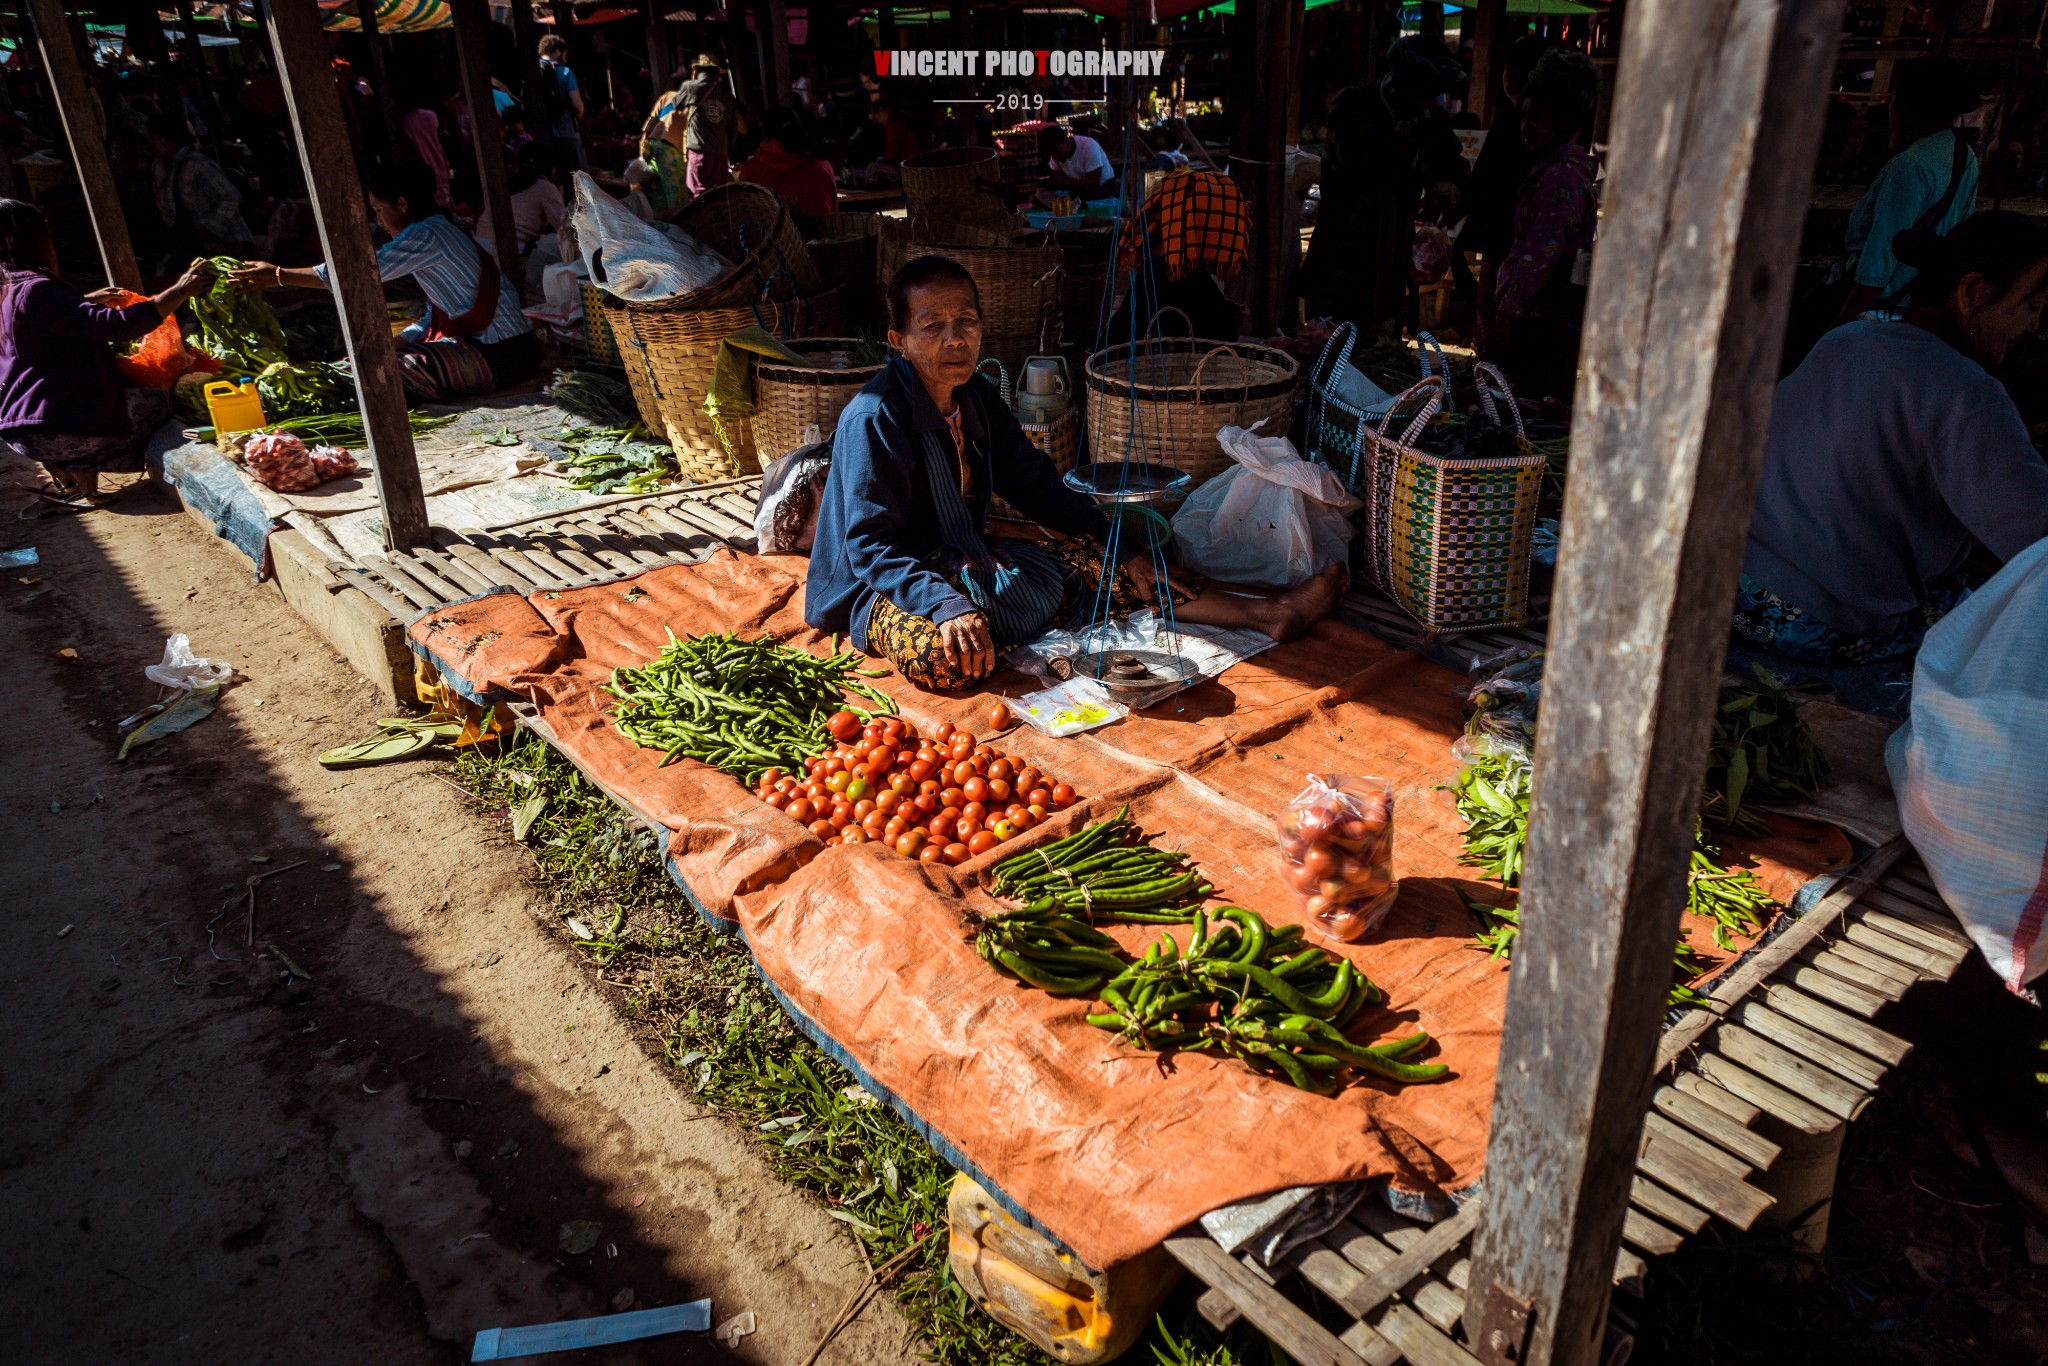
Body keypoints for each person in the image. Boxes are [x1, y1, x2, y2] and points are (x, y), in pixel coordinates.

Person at [805, 255, 1345, 691]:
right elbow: (870, 548)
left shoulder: (978, 400)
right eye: (932, 326)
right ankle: (994, 624)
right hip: (883, 584)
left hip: (960, 552)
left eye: (965, 322)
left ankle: (1270, 614)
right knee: (944, 657)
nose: (954, 339)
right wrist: (946, 607)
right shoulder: (874, 418)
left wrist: (1124, 548)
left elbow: (1040, 489)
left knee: (1117, 564)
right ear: (898, 340)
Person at [1735, 212, 2048, 668]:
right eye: (2031, 307)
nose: (2033, 328)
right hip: (1811, 624)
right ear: (1973, 294)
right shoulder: (1968, 392)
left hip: (1730, 583)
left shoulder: (1850, 337)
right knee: (1994, 621)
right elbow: (2035, 536)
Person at [229, 160, 539, 402]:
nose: (378, 220)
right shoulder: (438, 230)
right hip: (510, 350)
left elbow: (360, 275)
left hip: (504, 355)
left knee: (383, 373)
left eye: (379, 209)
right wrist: (398, 342)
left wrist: (279, 276)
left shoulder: (426, 234)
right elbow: (441, 312)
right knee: (383, 359)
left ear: (402, 204)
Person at [0, 201, 214, 503]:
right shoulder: (38, 288)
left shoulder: (7, 287)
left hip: (16, 429)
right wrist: (179, 290)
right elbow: (117, 327)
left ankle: (66, 478)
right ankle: (81, 467)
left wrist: (84, 301)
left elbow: (29, 322)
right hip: (56, 430)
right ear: (29, 239)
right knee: (156, 403)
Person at [1299, 36, 1468, 334]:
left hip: (1392, 266)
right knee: (1330, 352)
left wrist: (1439, 198)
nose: (1425, 103)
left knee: (1383, 355)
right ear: (1398, 84)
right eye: (1420, 95)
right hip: (1341, 263)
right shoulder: (1352, 106)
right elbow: (1360, 173)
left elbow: (1453, 165)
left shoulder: (1428, 118)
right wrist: (1409, 151)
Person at [1484, 49, 1600, 403]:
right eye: (1524, 117)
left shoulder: (1562, 178)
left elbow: (1537, 259)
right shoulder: (1554, 170)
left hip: (1541, 325)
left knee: (1527, 410)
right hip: (1539, 319)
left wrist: (1506, 317)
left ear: (1565, 123)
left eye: (1537, 119)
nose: (1525, 127)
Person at [1461, 35, 1552, 330]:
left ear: (1511, 76)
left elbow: (1478, 184)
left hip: (1502, 243)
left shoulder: (1510, 124)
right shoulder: (1552, 131)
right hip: (1538, 251)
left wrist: (1449, 216)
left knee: (1495, 326)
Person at [146, 108, 254, 266]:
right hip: (192, 244)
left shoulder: (196, 164)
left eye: (154, 139)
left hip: (225, 241)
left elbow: (230, 196)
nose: (151, 144)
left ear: (171, 138)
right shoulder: (159, 168)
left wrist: (211, 229)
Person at [737, 106, 837, 225]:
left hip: (773, 242)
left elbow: (745, 220)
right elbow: (834, 216)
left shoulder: (751, 169)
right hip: (823, 240)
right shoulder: (821, 164)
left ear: (765, 133)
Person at [671, 53, 737, 195]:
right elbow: (733, 127)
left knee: (698, 195)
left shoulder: (690, 87)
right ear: (718, 73)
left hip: (699, 151)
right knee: (720, 195)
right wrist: (727, 147)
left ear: (697, 71)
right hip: (721, 152)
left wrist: (693, 81)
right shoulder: (727, 96)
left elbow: (674, 105)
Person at [536, 34, 585, 177]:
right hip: (567, 132)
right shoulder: (565, 72)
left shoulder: (534, 72)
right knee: (578, 178)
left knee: (557, 177)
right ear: (557, 51)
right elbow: (576, 103)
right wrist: (580, 112)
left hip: (544, 134)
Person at [1039, 125, 1115, 200]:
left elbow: (1093, 181)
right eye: (1052, 155)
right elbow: (1056, 177)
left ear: (1066, 142)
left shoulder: (1089, 146)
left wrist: (1064, 182)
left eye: (1057, 152)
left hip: (1102, 186)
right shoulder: (1055, 155)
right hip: (1078, 188)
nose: (1056, 158)